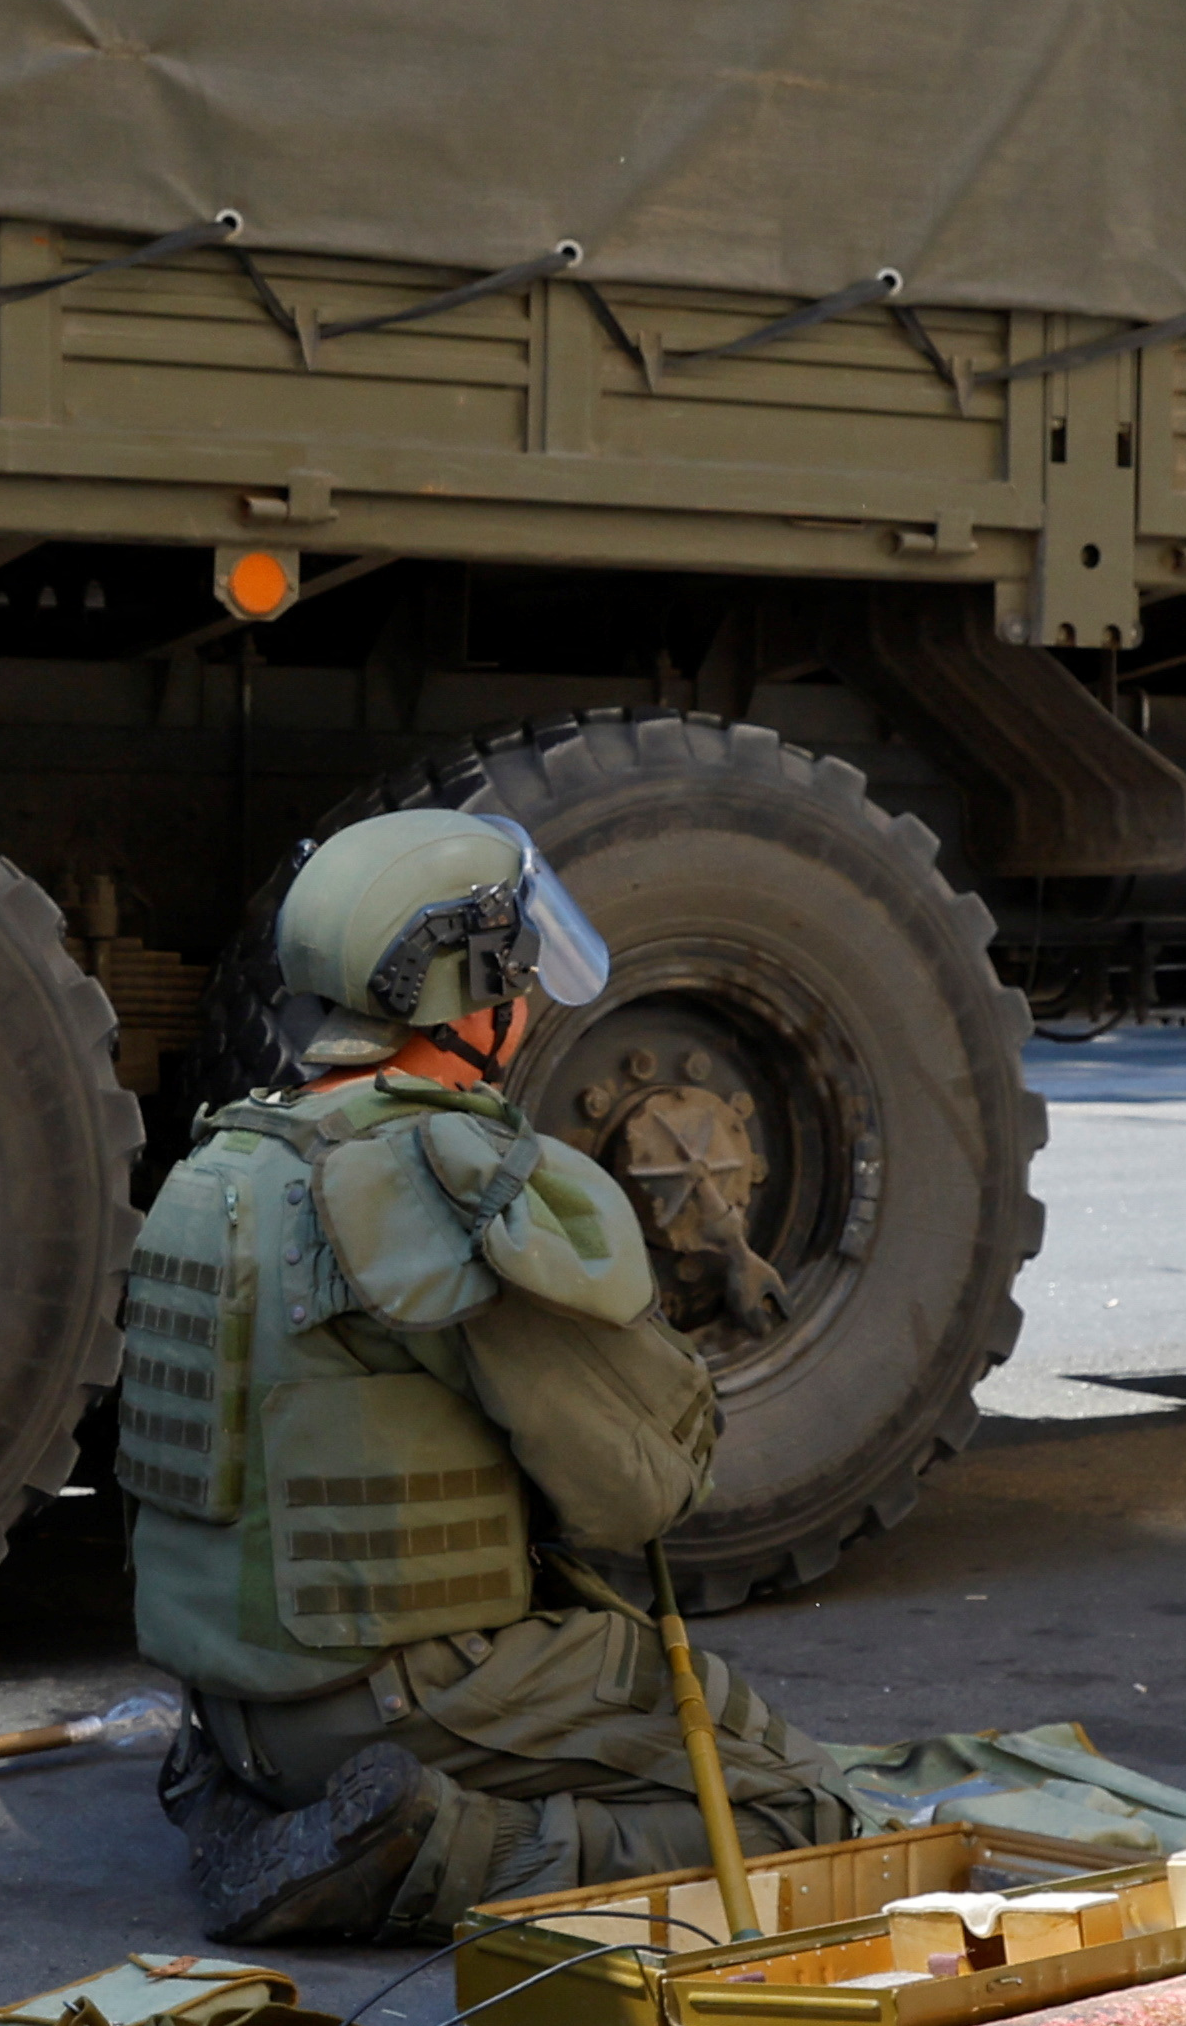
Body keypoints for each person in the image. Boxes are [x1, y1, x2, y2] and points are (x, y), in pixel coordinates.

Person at [120, 807, 854, 1942]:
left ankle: (250, 1800)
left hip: (235, 1704)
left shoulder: (227, 1154)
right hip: (394, 1701)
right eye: (516, 965)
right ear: (471, 996)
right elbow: (638, 1492)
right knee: (807, 1815)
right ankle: (438, 1848)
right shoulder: (432, 1176)